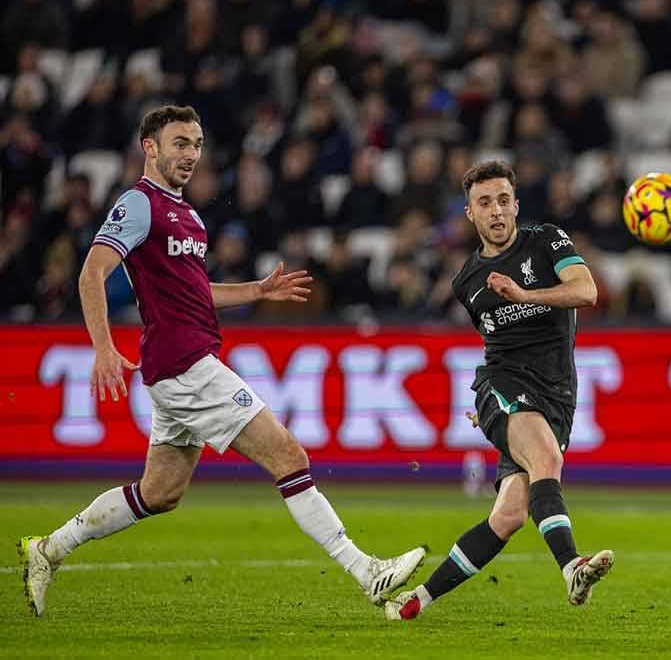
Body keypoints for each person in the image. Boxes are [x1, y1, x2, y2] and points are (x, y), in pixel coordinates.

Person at [18, 105, 425, 617]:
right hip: (186, 365)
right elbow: (91, 273)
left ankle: (49, 549)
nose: (191, 154)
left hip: (180, 367)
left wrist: (257, 289)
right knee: (289, 457)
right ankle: (366, 571)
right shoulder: (139, 203)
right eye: (180, 143)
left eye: (197, 143)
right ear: (151, 147)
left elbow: (195, 292)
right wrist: (102, 347)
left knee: (160, 492)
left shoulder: (187, 214)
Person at [384, 160, 613, 621]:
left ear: (516, 205)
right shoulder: (466, 281)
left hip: (556, 396)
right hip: (505, 385)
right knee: (547, 461)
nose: (496, 211)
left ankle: (413, 603)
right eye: (484, 203)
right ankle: (571, 566)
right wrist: (494, 406)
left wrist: (526, 295)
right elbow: (495, 349)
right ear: (470, 213)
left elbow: (586, 291)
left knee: (508, 516)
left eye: (503, 200)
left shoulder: (547, 241)